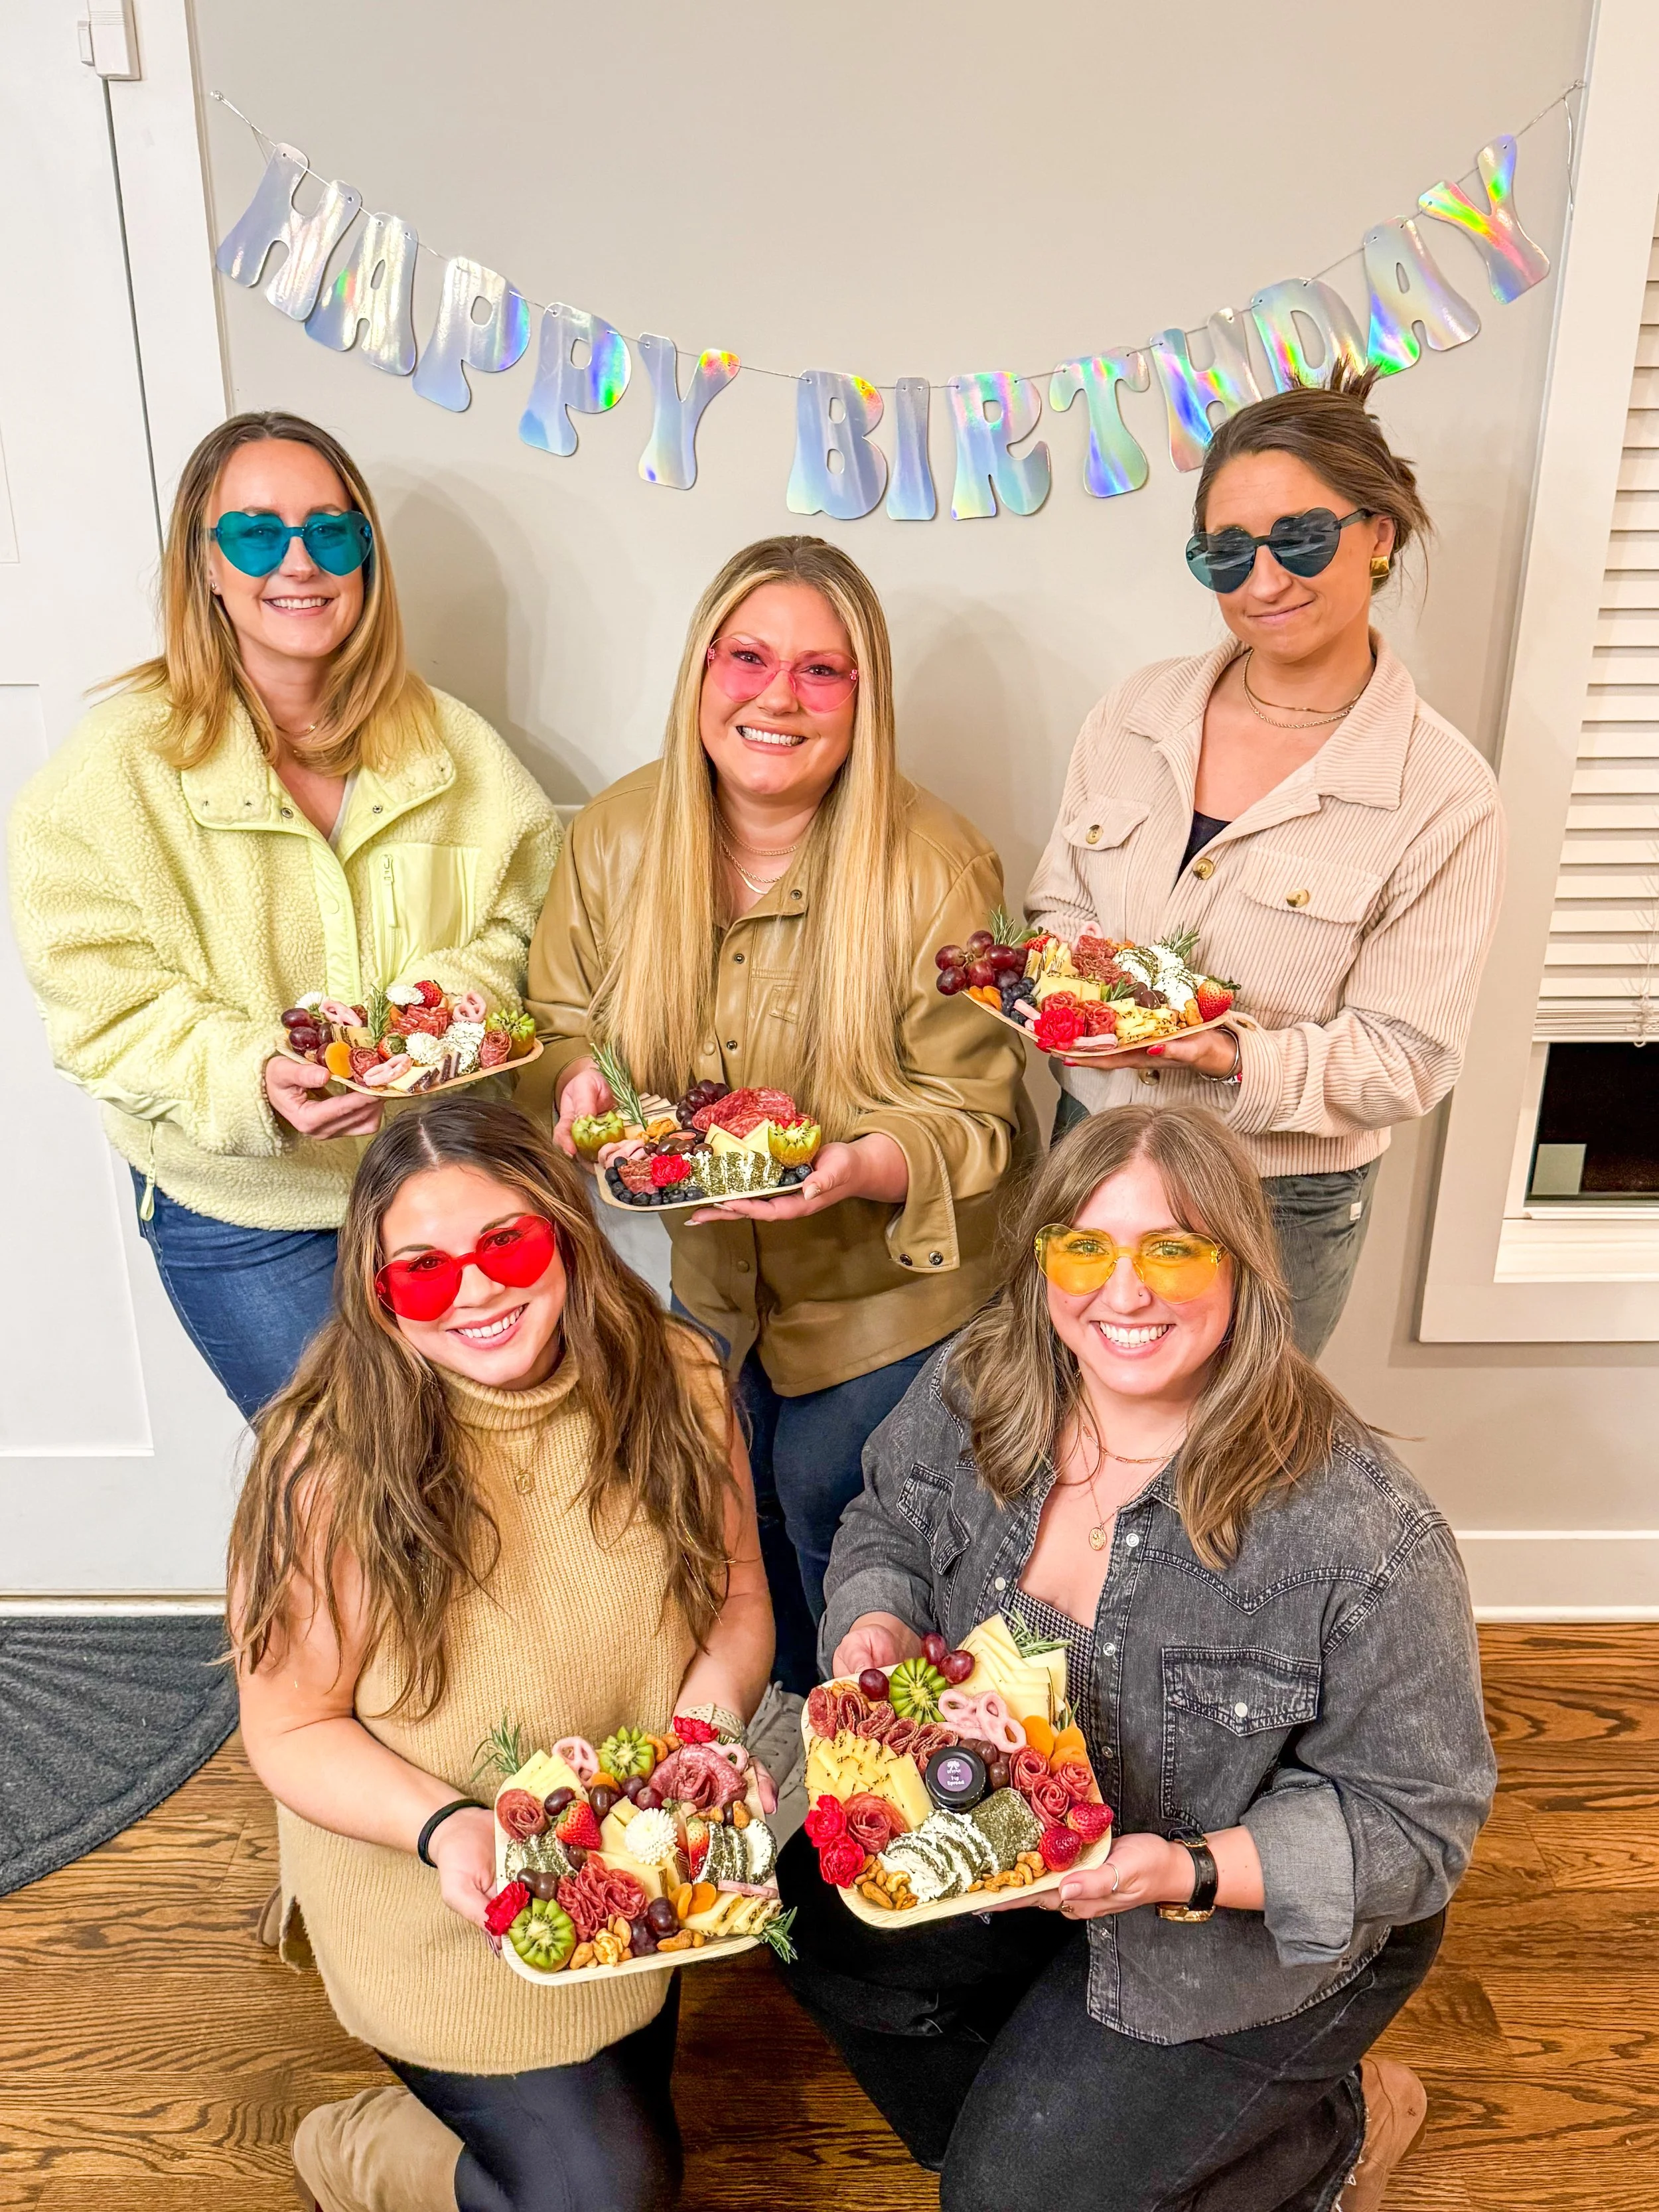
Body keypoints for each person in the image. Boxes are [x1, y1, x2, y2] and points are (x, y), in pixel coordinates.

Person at [783, 1102, 1494, 2212]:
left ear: (1242, 1267)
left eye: (1173, 1248)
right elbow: (887, 1527)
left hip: (1229, 1930)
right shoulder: (983, 1381)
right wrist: (873, 1625)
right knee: (814, 1929)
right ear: (1046, 1261)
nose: (1126, 1293)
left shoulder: (1362, 1535)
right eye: (1088, 1249)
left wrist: (1181, 1869)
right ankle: (1080, 2141)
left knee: (1002, 2201)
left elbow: (1416, 1829)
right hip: (1011, 1847)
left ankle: (1330, 2138)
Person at [229, 1097, 773, 2212]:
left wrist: (706, 1736)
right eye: (422, 1272)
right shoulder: (322, 1467)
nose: (475, 1292)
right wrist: (443, 1830)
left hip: (623, 1863)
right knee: (608, 2193)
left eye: (507, 1245)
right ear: (378, 1296)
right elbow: (288, 1726)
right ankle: (364, 2153)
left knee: (620, 2137)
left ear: (567, 1236)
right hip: (434, 1895)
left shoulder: (679, 1376)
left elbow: (735, 1598)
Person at [525, 536, 1032, 1691]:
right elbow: (556, 1018)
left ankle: (864, 1802)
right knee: (723, 1540)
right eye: (748, 657)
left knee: (837, 1535)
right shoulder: (614, 838)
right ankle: (757, 1784)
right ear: (701, 672)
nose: (777, 697)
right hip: (709, 1292)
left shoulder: (938, 865)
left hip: (887, 1305)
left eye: (821, 671)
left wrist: (861, 1163)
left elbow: (982, 1115)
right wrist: (575, 1085)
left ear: (865, 699)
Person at [8, 411, 561, 1417]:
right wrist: (256, 1076)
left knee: (500, 1468)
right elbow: (104, 1007)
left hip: (452, 1194)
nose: (299, 561)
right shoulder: (109, 774)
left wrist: (421, 1032)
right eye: (258, 533)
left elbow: (522, 933)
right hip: (247, 1214)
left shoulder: (460, 750)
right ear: (205, 566)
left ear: (366, 558)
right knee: (351, 1489)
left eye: (331, 531)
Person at [1026, 367, 1504, 1357]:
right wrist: (1068, 991)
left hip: (1275, 1203)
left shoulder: (1442, 791)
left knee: (1234, 1474)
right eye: (1227, 551)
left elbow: (1408, 1060)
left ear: (1379, 535)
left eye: (1301, 538)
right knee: (1070, 1429)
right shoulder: (1132, 716)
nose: (1265, 580)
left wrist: (1226, 1053)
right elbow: (1059, 906)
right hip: (1096, 1153)